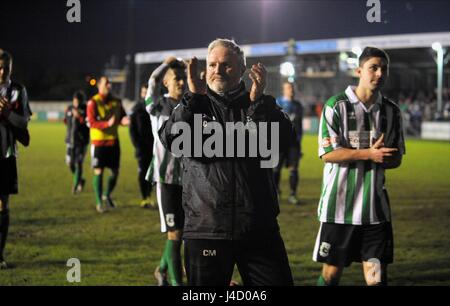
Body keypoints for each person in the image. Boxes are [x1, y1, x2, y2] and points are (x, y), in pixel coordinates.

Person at [159, 39, 295, 286]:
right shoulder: (193, 104)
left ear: (242, 70)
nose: (217, 70)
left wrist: (257, 104)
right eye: (212, 64)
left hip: (257, 228)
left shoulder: (260, 103)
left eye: (226, 65)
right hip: (206, 227)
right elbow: (171, 140)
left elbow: (282, 141)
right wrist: (194, 99)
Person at [313, 46, 405, 286]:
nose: (379, 74)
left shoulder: (391, 112)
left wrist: (388, 157)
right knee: (331, 275)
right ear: (359, 70)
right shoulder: (336, 106)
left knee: (375, 278)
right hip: (338, 209)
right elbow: (327, 154)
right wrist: (369, 154)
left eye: (384, 69)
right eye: (373, 67)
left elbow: (397, 159)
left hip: (375, 211)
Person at [145, 57, 186, 286]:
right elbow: (152, 80)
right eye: (176, 79)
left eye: (183, 79)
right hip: (166, 178)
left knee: (183, 233)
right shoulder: (158, 105)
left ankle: (161, 269)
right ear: (167, 83)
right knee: (175, 234)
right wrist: (164, 65)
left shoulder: (191, 105)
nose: (181, 83)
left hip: (189, 179)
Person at [0, 49, 31, 269]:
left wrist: (8, 113)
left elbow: (23, 123)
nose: (2, 71)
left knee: (3, 204)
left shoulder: (18, 91)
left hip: (5, 155)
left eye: (6, 67)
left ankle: (0, 254)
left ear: (11, 67)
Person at [86, 76, 129, 213]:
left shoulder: (117, 101)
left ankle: (107, 195)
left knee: (115, 172)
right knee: (99, 171)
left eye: (109, 83)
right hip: (98, 143)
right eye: (106, 83)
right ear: (99, 86)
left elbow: (122, 116)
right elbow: (91, 122)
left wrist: (124, 121)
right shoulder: (93, 102)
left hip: (113, 141)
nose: (109, 85)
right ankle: (99, 202)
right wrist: (106, 124)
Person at [274, 81, 304, 205]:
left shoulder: (298, 105)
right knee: (276, 169)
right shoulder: (277, 103)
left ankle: (293, 194)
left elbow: (300, 125)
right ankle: (276, 193)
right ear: (284, 90)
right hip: (279, 142)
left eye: (292, 88)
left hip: (294, 143)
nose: (291, 90)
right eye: (288, 88)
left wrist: (299, 142)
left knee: (294, 169)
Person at [129, 84, 155, 208]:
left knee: (152, 173)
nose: (145, 94)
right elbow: (132, 129)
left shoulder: (155, 106)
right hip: (141, 148)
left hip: (154, 146)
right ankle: (144, 197)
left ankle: (149, 195)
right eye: (144, 92)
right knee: (142, 172)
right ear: (141, 93)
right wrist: (137, 144)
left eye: (147, 92)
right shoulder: (136, 109)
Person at [64, 91, 89, 194]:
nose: (76, 103)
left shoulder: (87, 109)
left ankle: (75, 185)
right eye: (74, 101)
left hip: (81, 142)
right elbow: (66, 121)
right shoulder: (69, 109)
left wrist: (79, 116)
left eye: (78, 101)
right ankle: (80, 180)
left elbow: (88, 123)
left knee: (79, 163)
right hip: (70, 141)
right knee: (70, 164)